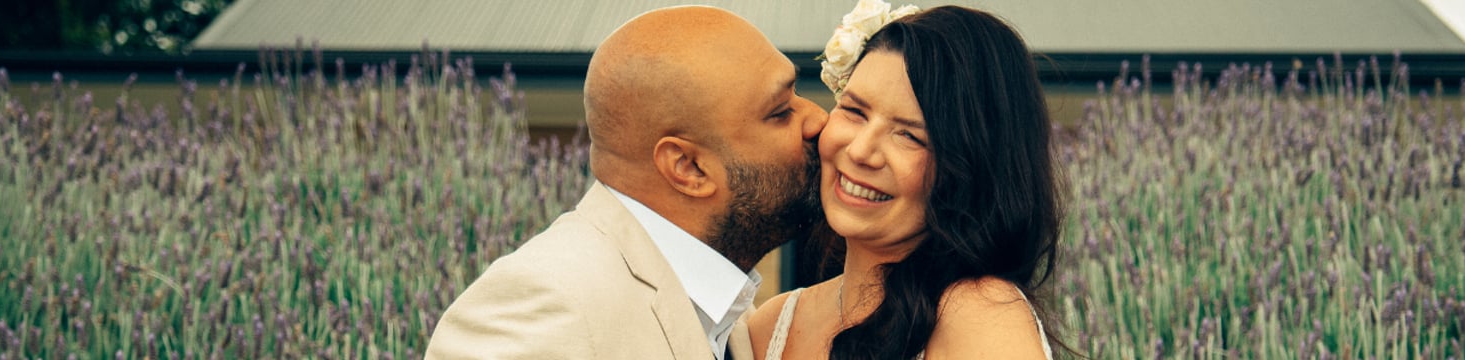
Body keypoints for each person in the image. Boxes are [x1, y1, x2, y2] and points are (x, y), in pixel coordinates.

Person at [426, 5, 828, 359]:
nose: (818, 119)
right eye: (780, 112)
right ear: (688, 168)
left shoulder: (729, 315)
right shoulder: (548, 305)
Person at [748, 3, 1065, 360]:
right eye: (854, 111)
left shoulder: (979, 315)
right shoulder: (771, 325)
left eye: (910, 136)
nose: (860, 151)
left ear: (968, 171)